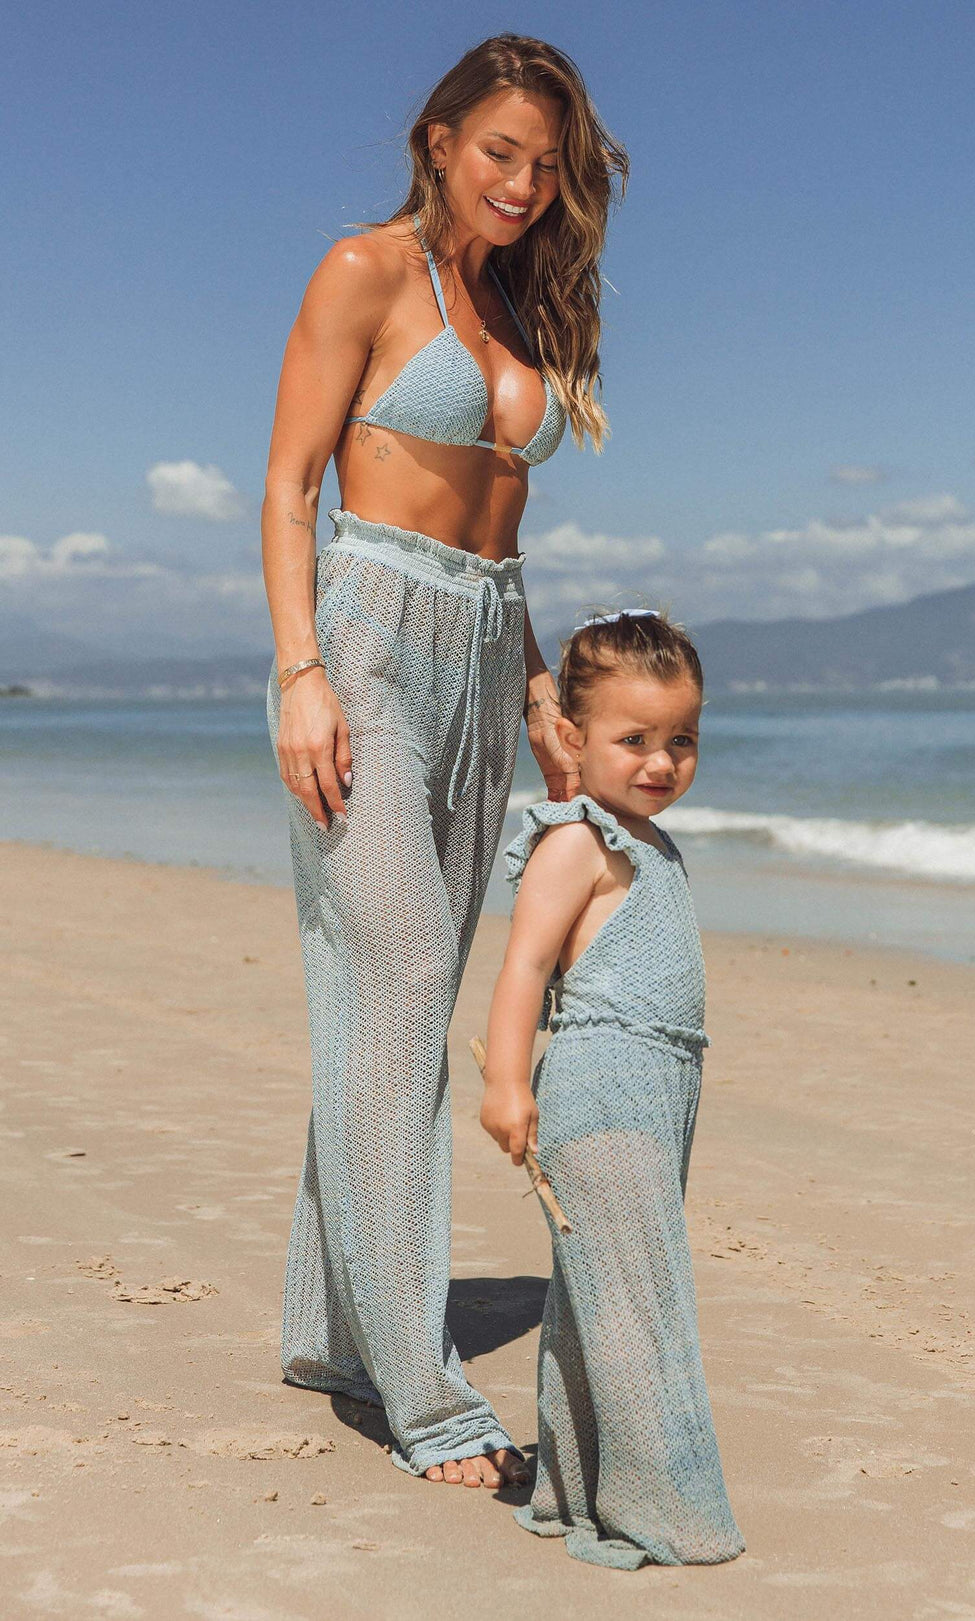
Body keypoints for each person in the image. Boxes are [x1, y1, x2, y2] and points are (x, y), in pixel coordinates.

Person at [261, 34, 628, 1488]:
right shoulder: (364, 271)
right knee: (408, 973)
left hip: (484, 654)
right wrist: (301, 675)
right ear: (435, 140)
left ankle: (328, 1323)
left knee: (386, 994)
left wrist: (537, 671)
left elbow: (498, 527)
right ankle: (418, 1388)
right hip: (362, 639)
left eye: (548, 165)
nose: (526, 185)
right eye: (501, 154)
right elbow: (290, 487)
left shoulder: (523, 302)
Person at [481, 608, 747, 1567]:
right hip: (599, 1090)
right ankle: (659, 1504)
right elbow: (521, 969)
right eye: (633, 740)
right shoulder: (577, 843)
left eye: (682, 739)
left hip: (659, 1092)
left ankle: (582, 1484)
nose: (661, 761)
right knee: (636, 1301)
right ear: (570, 737)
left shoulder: (650, 844)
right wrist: (509, 1081)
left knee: (601, 1296)